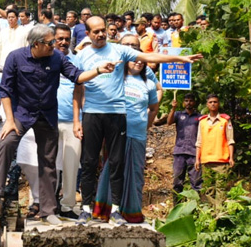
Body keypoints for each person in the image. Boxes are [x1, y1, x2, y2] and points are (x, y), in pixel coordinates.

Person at [73, 16, 202, 225]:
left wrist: (181, 59)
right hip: (92, 113)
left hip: (117, 114)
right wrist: (76, 121)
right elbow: (77, 89)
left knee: (116, 163)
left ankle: (116, 210)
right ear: (87, 34)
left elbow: (149, 56)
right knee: (88, 163)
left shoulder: (119, 51)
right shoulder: (82, 56)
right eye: (95, 31)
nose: (100, 34)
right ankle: (86, 209)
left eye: (102, 30)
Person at [0, 24, 118, 225]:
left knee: (48, 162)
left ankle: (48, 211)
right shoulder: (15, 57)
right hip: (22, 114)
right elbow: (5, 90)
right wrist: (9, 120)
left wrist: (99, 70)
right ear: (36, 44)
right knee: (6, 143)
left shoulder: (57, 57)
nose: (54, 45)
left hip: (47, 116)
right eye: (50, 42)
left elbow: (77, 76)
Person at [116, 43, 159, 225]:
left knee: (135, 173)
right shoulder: (117, 79)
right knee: (114, 170)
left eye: (142, 60)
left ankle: (132, 212)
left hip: (138, 135)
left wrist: (145, 125)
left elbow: (154, 108)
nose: (138, 62)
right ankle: (108, 210)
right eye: (135, 59)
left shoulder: (148, 84)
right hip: (117, 133)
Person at [53, 24, 83, 218]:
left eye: (66, 39)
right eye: (59, 38)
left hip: (73, 122)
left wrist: (80, 120)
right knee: (47, 165)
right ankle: (42, 203)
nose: (63, 42)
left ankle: (68, 205)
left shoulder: (77, 61)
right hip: (48, 121)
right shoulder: (44, 59)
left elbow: (82, 89)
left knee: (71, 165)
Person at [195, 94, 235, 206]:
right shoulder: (202, 122)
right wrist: (197, 159)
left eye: (215, 102)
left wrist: (231, 158)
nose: (213, 104)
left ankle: (219, 213)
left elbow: (230, 140)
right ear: (207, 105)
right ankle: (212, 213)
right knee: (208, 190)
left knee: (221, 188)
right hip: (206, 160)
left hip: (221, 160)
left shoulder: (225, 120)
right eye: (210, 102)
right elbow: (199, 141)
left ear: (218, 104)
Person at [167, 93, 202, 197]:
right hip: (180, 152)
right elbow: (169, 122)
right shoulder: (178, 114)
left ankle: (194, 209)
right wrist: (173, 108)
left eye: (191, 101)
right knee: (177, 182)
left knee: (196, 183)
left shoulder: (199, 117)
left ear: (194, 102)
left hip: (194, 153)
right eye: (186, 101)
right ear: (183, 103)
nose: (188, 103)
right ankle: (177, 207)